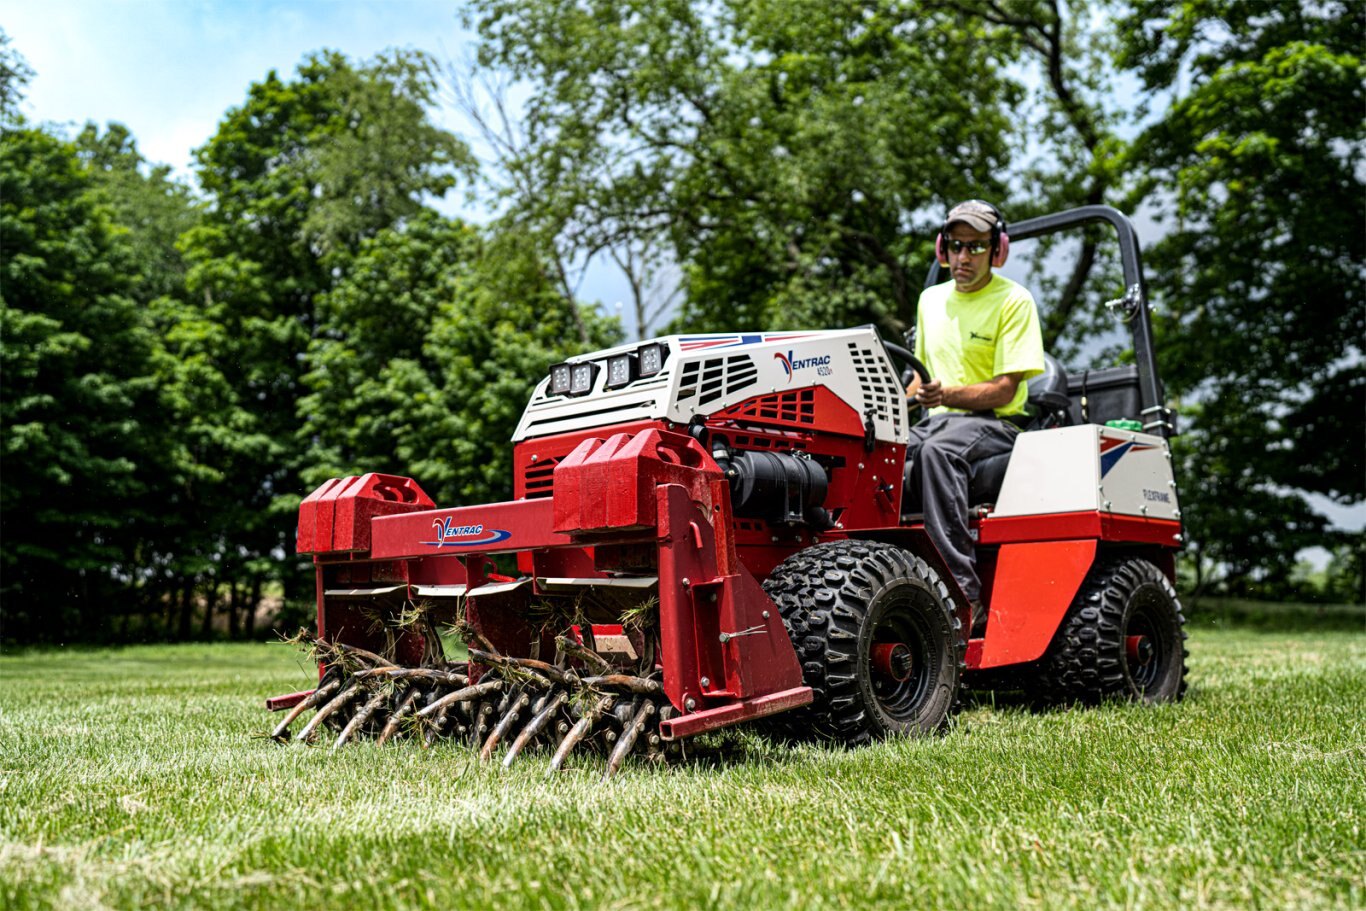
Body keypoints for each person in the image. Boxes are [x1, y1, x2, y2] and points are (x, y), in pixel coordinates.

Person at [907, 200, 1044, 633]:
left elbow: (1005, 389)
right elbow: (918, 378)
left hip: (996, 424)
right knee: (881, 452)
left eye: (976, 247)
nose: (964, 257)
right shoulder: (930, 300)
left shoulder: (1015, 302)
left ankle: (961, 598)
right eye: (956, 246)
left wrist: (944, 393)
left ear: (997, 251)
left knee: (935, 454)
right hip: (936, 422)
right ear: (941, 248)